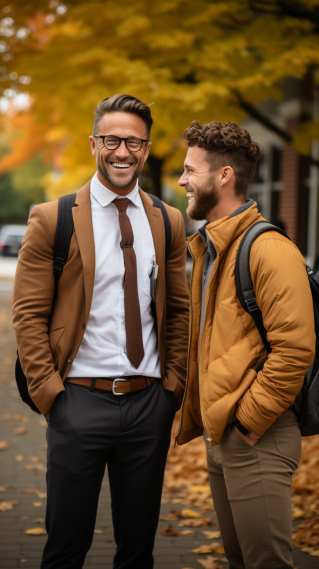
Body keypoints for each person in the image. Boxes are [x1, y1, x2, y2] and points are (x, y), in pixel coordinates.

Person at [12, 94, 189, 569]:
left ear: (146, 149)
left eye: (134, 142)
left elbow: (179, 312)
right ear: (94, 144)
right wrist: (52, 395)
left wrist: (172, 388)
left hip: (148, 405)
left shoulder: (168, 221)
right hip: (78, 403)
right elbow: (28, 317)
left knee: (138, 551)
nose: (122, 152)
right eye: (112, 140)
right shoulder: (54, 218)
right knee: (66, 549)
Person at [176, 120, 315, 569]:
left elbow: (295, 349)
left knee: (266, 563)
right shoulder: (212, 249)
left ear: (223, 176)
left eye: (189, 170)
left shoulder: (268, 249)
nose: (181, 180)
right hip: (227, 436)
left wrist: (248, 425)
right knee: (240, 560)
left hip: (258, 435)